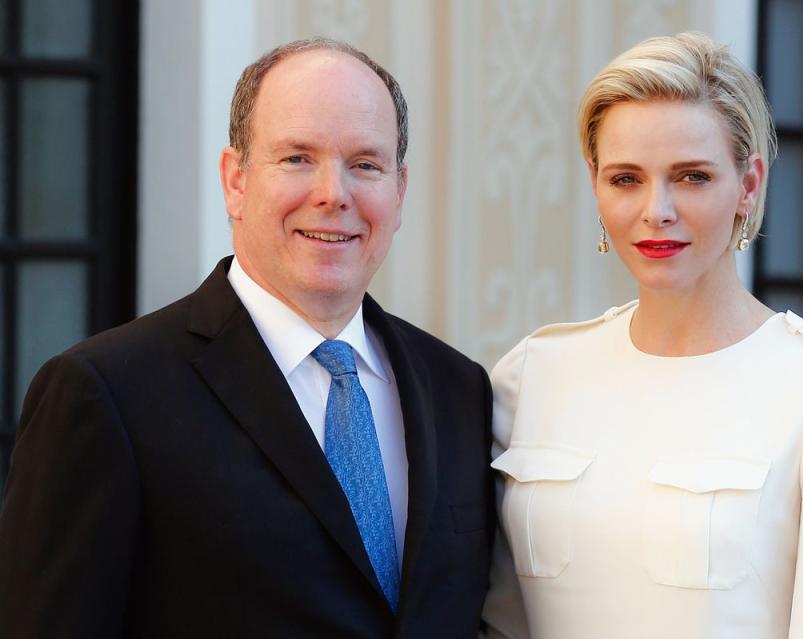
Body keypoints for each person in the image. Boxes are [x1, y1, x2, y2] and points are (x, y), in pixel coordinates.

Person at [0, 38, 494, 638]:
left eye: (365, 164)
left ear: (399, 189)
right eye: (296, 159)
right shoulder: (107, 395)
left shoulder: (459, 389)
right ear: (235, 181)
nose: (333, 194)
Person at [481, 32, 803, 639]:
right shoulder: (531, 376)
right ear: (596, 184)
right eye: (626, 179)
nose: (657, 210)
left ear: (748, 185)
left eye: (691, 177)